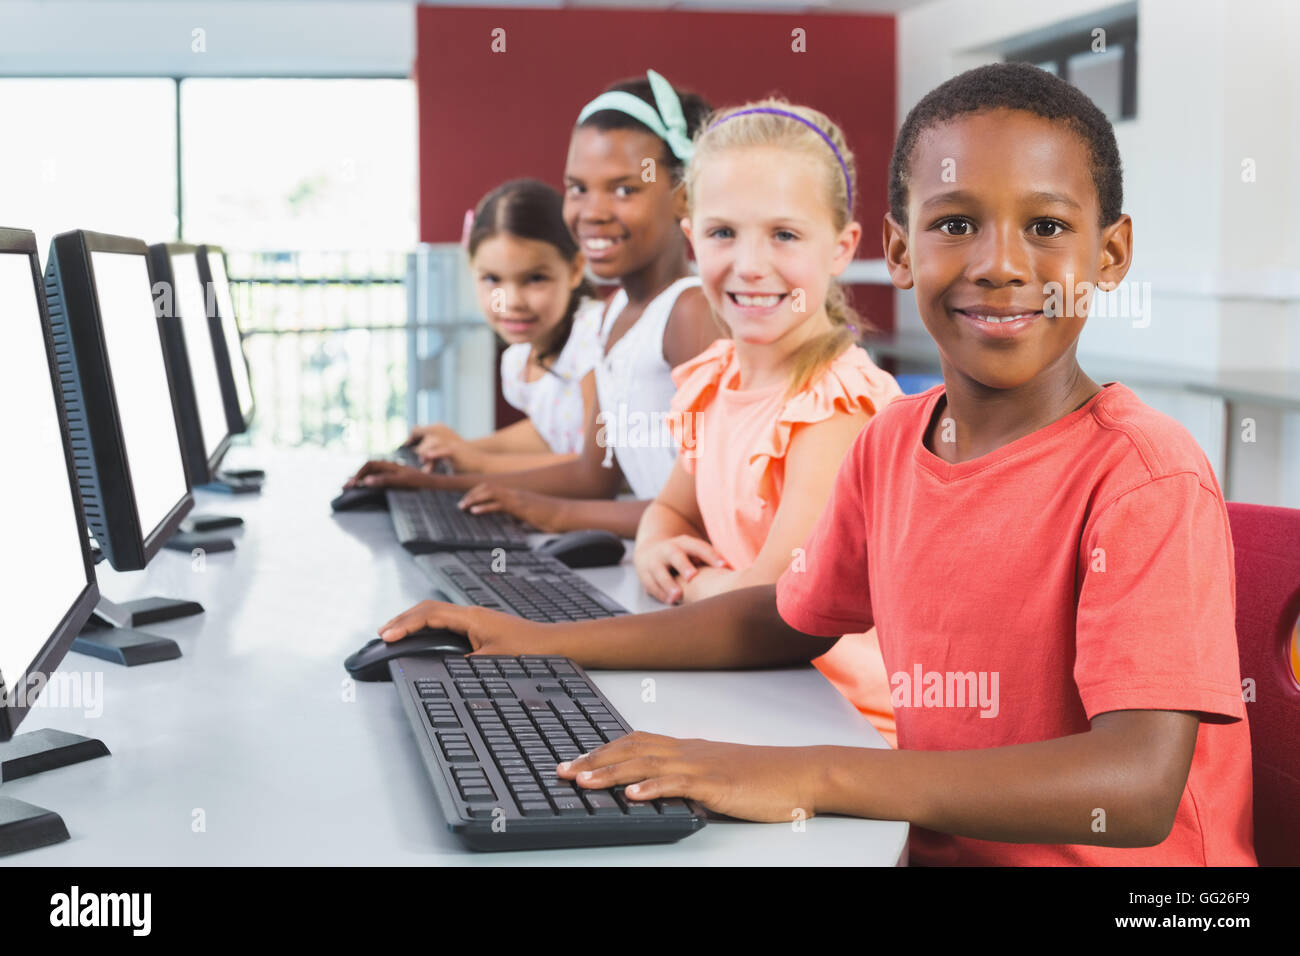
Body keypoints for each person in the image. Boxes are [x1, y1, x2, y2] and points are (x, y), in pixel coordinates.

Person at [375, 63, 1257, 865]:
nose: (999, 263)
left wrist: (809, 774)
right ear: (902, 252)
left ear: (1108, 255)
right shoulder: (893, 441)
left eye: (1046, 226)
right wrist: (537, 643)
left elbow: (1137, 788)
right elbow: (779, 621)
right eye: (955, 224)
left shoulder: (1143, 476)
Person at [629, 99, 903, 746]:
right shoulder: (718, 378)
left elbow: (773, 603)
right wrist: (653, 548)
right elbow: (669, 511)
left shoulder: (835, 404)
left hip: (849, 728)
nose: (750, 264)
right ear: (692, 238)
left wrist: (688, 581)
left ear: (840, 249)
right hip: (764, 692)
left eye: (784, 235)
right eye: (724, 233)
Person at [347, 70, 720, 538]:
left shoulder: (689, 314)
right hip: (655, 564)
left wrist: (548, 513)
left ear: (684, 195)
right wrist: (429, 483)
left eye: (625, 188)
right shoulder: (612, 315)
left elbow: (709, 510)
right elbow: (592, 474)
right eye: (578, 187)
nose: (593, 211)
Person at [405, 179, 604, 474]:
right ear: (472, 270)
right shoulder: (518, 360)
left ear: (575, 270)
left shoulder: (595, 334)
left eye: (535, 278)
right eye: (492, 280)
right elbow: (551, 435)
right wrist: (461, 446)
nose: (511, 301)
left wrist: (480, 462)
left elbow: (600, 465)